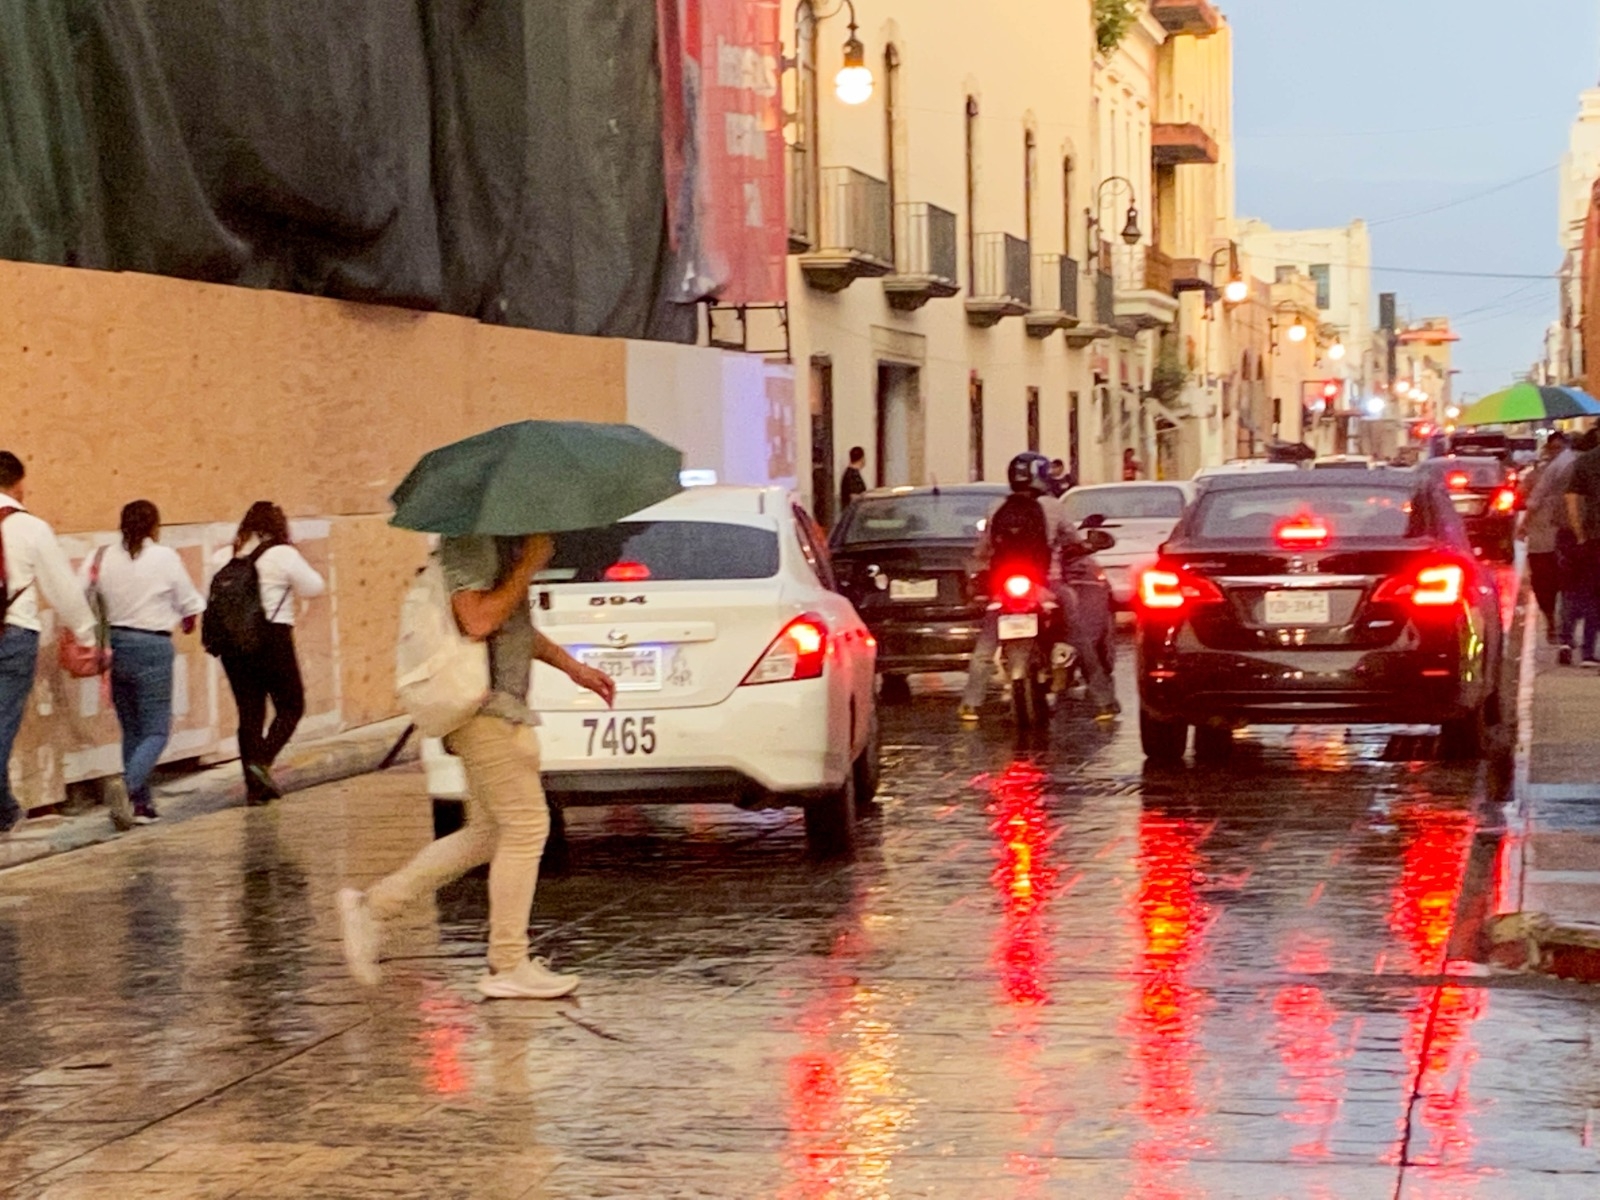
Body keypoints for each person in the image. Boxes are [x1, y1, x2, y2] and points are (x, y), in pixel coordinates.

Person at [337, 533, 617, 1000]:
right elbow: (478, 619)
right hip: (486, 711)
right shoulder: (471, 542)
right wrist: (528, 565)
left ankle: (374, 907)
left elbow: (508, 624)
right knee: (527, 826)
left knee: (487, 833)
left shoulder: (496, 543)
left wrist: (573, 667)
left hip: (498, 709)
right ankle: (507, 961)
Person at [959, 453, 1117, 723]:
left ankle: (970, 705)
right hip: (1047, 584)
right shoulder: (1052, 506)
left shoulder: (997, 506)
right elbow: (1072, 539)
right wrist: (1079, 546)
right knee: (1079, 636)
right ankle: (1104, 702)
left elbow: (984, 547)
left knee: (986, 643)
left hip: (1005, 586)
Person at [80, 502, 206, 826]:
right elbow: (190, 603)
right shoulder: (164, 557)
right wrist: (186, 620)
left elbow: (80, 592)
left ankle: (140, 806)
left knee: (132, 729)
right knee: (156, 730)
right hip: (153, 647)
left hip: (115, 647)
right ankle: (127, 784)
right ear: (154, 526)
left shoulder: (102, 555)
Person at [0, 452, 98, 835]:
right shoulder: (31, 528)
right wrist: (86, 635)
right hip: (15, 634)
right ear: (18, 483)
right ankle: (4, 810)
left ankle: (5, 810)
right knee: (4, 723)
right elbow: (63, 590)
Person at [213, 502, 325, 802]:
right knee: (291, 706)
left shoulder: (224, 556)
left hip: (233, 646)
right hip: (272, 637)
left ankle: (255, 788)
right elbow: (314, 587)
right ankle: (261, 761)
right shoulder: (283, 554)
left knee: (250, 714)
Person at [1521, 433, 1577, 646]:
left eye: (1559, 448)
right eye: (1552, 448)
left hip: (1561, 534)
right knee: (1542, 582)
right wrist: (1525, 523)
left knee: (1562, 581)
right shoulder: (1536, 475)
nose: (1556, 452)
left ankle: (1561, 624)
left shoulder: (1571, 469)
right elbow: (1529, 499)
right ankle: (1551, 620)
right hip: (1540, 536)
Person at [839, 447, 868, 514]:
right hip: (853, 513)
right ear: (862, 459)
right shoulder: (852, 475)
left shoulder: (850, 474)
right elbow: (854, 496)